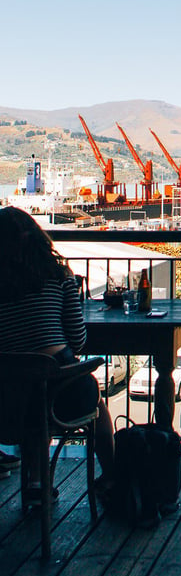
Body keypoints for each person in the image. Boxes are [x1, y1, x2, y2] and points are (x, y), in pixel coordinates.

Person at [0, 206, 114, 503]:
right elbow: (77, 341)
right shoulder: (58, 277)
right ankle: (112, 475)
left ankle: (36, 483)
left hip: (6, 402)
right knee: (95, 404)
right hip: (60, 393)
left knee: (26, 391)